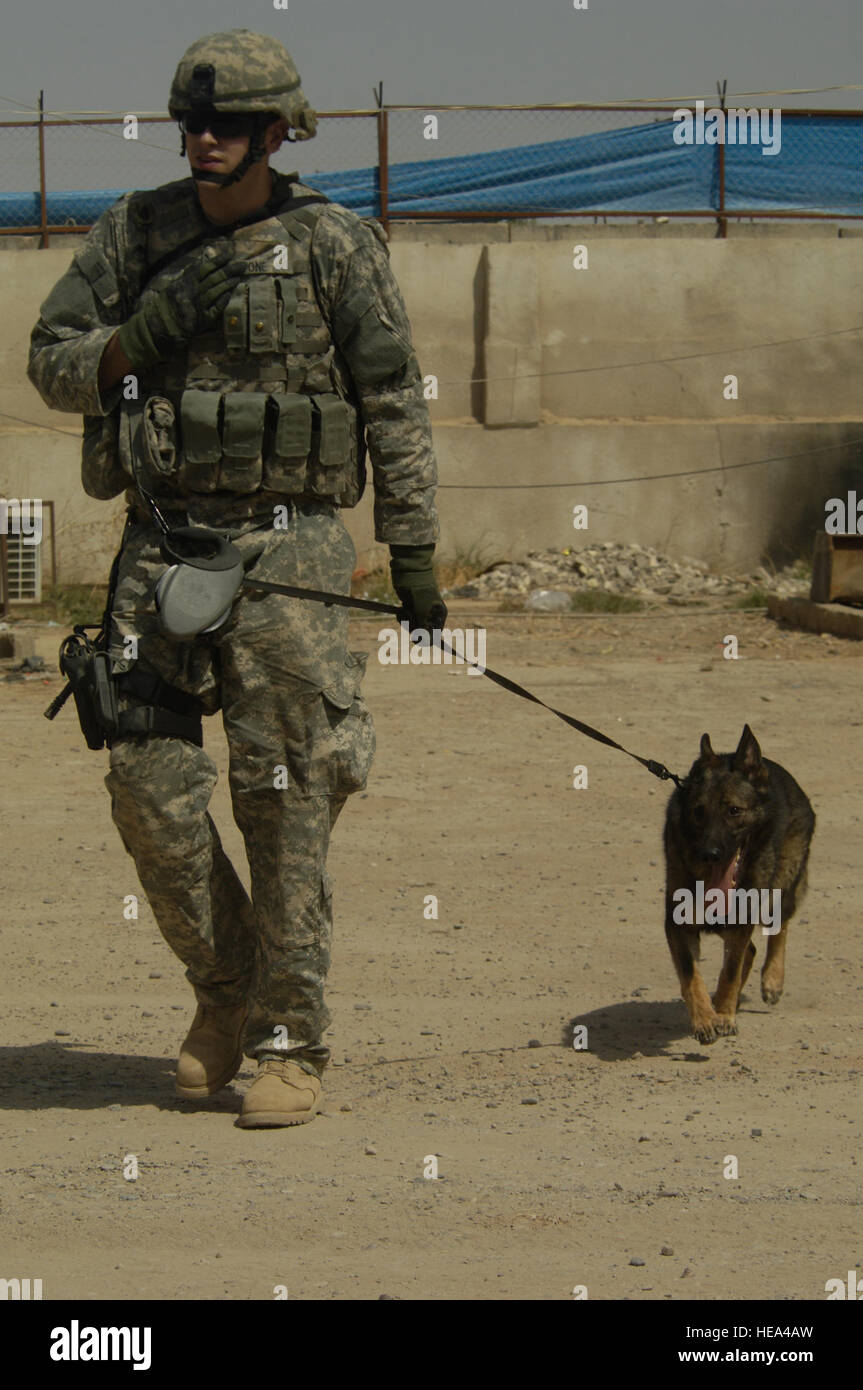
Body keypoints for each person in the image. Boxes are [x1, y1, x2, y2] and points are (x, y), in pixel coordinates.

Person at [27, 28, 446, 1128]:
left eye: (225, 125)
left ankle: (288, 1041)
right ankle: (225, 993)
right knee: (146, 789)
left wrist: (411, 550)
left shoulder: (334, 246)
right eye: (190, 123)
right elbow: (51, 359)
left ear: (274, 132)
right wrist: (127, 348)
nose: (201, 139)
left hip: (290, 550)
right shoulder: (136, 232)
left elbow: (394, 399)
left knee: (283, 796)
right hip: (160, 545)